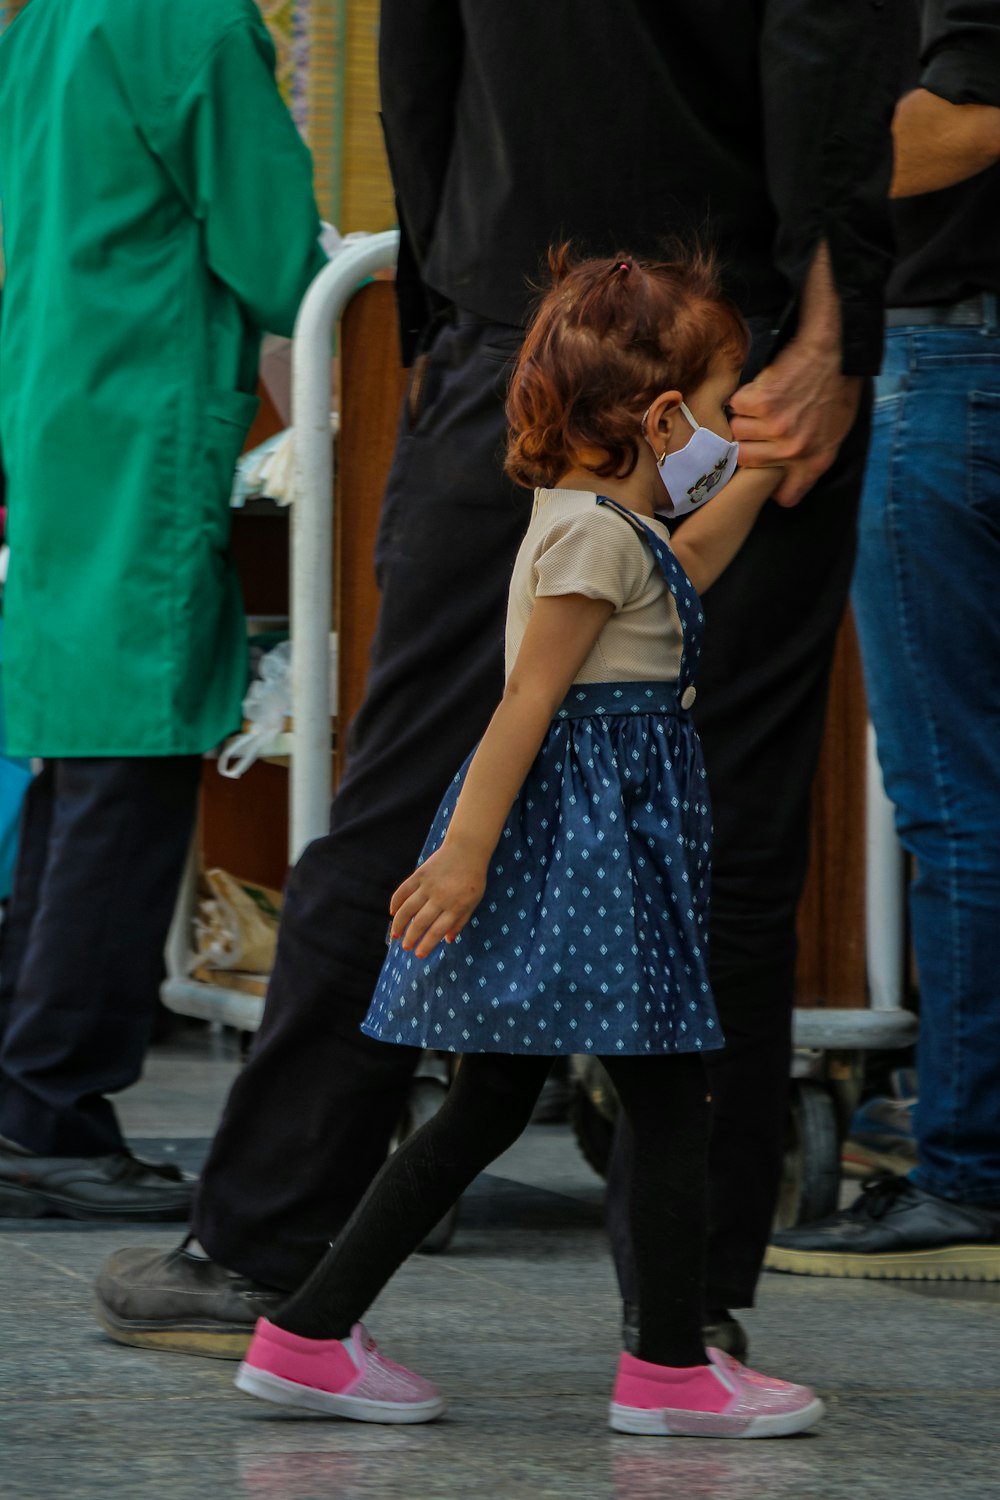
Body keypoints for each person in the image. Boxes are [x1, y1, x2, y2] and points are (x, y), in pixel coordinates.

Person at [95, 1, 899, 1351]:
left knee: (409, 777)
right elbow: (830, 66)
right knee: (716, 829)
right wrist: (832, 340)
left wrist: (443, 326)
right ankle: (684, 1316)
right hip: (729, 354)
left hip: (513, 327)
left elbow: (416, 71)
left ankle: (254, 1247)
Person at [232, 248, 823, 1438]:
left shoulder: (612, 524)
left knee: (491, 1100)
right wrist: (464, 853)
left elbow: (691, 565)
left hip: (590, 839)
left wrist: (759, 464)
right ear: (659, 416)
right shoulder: (591, 539)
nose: (723, 423)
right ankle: (666, 1370)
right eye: (716, 406)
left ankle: (306, 1333)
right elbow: (526, 701)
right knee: (663, 1093)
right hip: (581, 845)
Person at [0, 0, 325, 1219]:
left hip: (62, 402)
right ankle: (51, 1111)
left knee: (80, 770)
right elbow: (277, 256)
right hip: (141, 415)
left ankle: (26, 1097)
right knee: (129, 772)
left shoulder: (47, 22)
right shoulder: (187, 20)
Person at [767, 0, 1000, 1281]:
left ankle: (970, 1170)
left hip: (955, 356)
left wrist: (782, 176)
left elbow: (966, 118)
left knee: (957, 795)